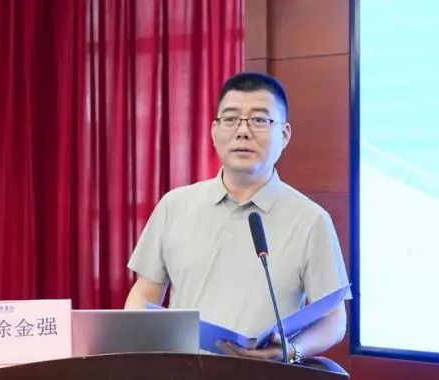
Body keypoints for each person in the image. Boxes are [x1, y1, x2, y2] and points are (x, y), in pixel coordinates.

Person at [124, 72, 350, 363]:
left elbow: (334, 319)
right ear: (214, 131)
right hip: (181, 378)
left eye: (259, 120)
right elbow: (145, 293)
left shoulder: (311, 220)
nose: (243, 131)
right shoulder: (174, 206)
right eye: (230, 119)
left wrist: (289, 351)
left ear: (284, 135)